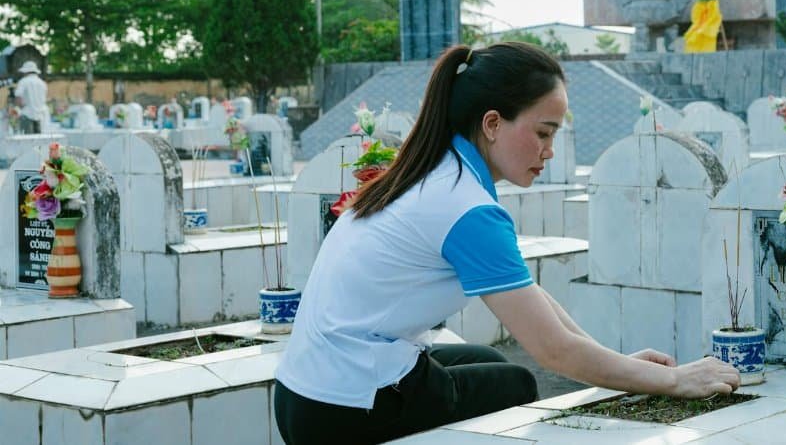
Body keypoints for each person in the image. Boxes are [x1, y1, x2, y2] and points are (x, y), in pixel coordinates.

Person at [273, 42, 739, 445]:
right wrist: (673, 379)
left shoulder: (435, 172)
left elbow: (529, 298)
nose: (549, 151)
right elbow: (552, 351)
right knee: (512, 384)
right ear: (493, 123)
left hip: (304, 391)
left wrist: (615, 364)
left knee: (482, 360)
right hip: (341, 410)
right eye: (542, 133)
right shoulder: (464, 207)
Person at [14, 60, 47, 135]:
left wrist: (17, 108)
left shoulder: (23, 81)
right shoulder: (42, 83)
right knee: (39, 142)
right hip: (40, 116)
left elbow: (18, 97)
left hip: (27, 114)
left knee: (27, 141)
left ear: (26, 71)